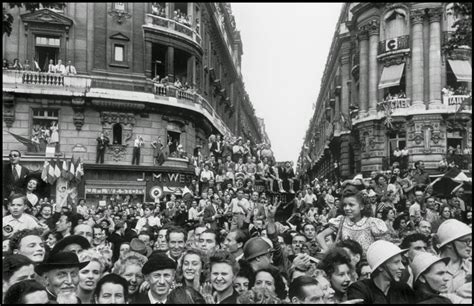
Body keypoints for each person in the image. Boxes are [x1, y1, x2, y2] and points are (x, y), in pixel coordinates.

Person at [317, 182, 388, 254]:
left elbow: (382, 247)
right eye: (345, 205)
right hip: (347, 263)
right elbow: (320, 236)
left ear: (361, 206)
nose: (347, 208)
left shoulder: (371, 223)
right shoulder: (341, 221)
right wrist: (328, 253)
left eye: (351, 205)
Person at [347, 240, 415, 304]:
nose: (402, 267)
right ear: (380, 267)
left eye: (401, 262)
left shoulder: (404, 289)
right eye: (396, 262)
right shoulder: (359, 289)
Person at [435, 219, 471, 296]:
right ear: (449, 244)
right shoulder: (428, 267)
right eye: (466, 241)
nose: (470, 245)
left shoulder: (470, 267)